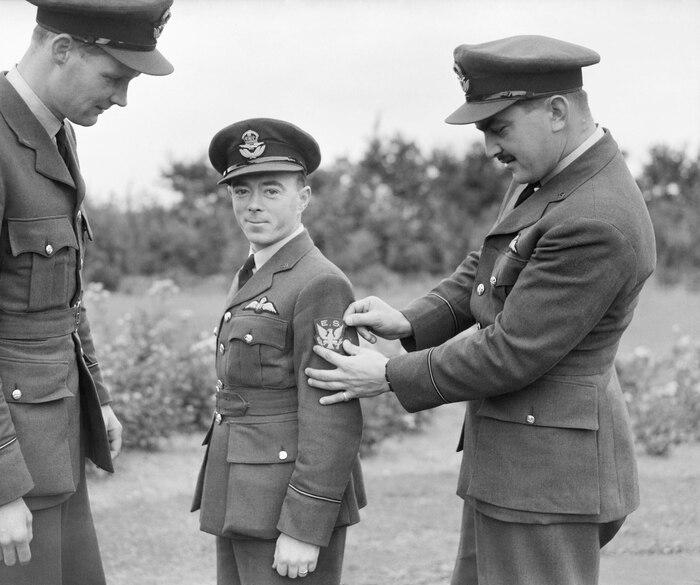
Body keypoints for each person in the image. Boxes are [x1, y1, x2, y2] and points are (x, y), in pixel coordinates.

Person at [306, 35, 656, 584]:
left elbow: (513, 349)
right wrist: (411, 320)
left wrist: (390, 376)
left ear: (557, 112)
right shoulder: (550, 179)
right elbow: (489, 266)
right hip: (517, 461)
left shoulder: (595, 217)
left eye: (499, 127)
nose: (490, 147)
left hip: (547, 477)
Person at [0, 1, 174, 584]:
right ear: (62, 49)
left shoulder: (51, 134)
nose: (121, 98)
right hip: (1, 462)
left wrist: (99, 397)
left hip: (51, 445)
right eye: (114, 76)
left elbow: (63, 298)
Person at [191, 118, 367, 584]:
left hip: (284, 501)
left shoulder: (319, 281)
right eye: (240, 192)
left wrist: (305, 527)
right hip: (242, 489)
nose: (252, 206)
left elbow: (333, 411)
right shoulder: (255, 270)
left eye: (271, 191)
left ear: (302, 197)